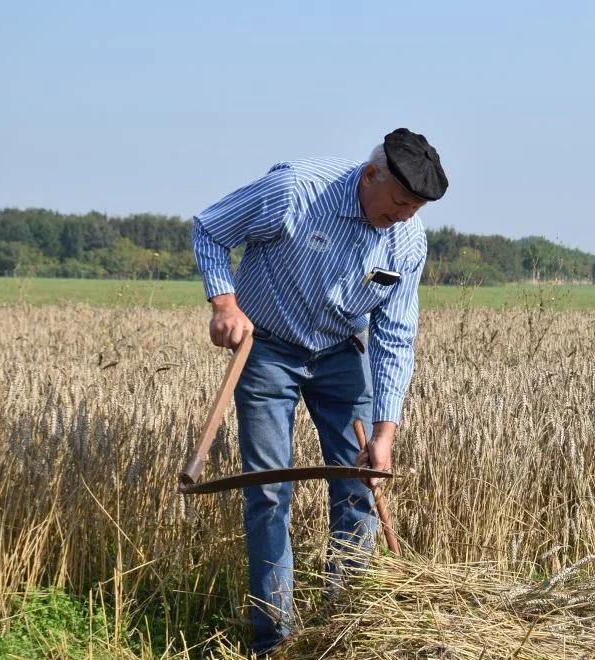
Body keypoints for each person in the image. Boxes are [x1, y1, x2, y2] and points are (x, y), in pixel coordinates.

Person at [190, 128, 448, 652]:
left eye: (413, 209)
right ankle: (275, 639)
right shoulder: (296, 192)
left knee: (360, 482)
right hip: (266, 349)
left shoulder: (408, 239)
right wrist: (224, 303)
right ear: (370, 174)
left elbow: (395, 335)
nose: (401, 217)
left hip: (339, 354)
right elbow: (209, 229)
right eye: (397, 203)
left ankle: (345, 629)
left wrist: (385, 432)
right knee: (268, 489)